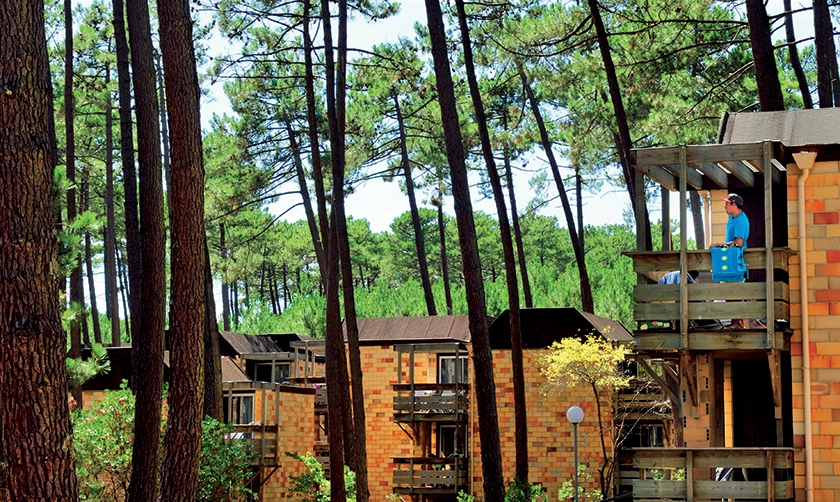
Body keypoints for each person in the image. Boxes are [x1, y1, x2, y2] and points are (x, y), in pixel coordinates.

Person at [713, 193, 750, 328]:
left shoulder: (740, 221)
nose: (724, 206)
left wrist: (719, 245)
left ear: (734, 205)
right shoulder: (732, 218)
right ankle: (735, 323)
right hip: (730, 263)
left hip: (736, 264)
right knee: (730, 294)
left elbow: (739, 243)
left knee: (735, 294)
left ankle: (740, 325)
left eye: (727, 204)